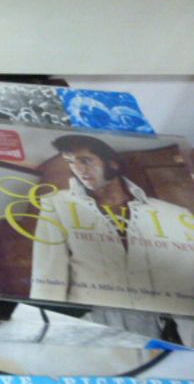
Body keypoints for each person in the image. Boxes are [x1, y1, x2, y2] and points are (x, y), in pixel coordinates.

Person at [29, 133, 194, 316]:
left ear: (113, 164)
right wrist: (42, 321)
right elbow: (48, 274)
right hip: (93, 319)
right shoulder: (57, 204)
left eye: (85, 160)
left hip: (161, 319)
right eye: (70, 162)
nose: (77, 169)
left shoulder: (172, 214)